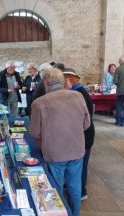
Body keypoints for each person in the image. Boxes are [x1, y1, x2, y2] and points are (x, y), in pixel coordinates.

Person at [29, 68, 90, 216]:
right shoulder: (78, 96)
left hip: (55, 153)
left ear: (45, 82)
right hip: (76, 150)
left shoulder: (39, 103)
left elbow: (34, 132)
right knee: (75, 188)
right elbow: (86, 124)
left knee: (56, 189)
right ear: (63, 81)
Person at [63, 68, 95, 201]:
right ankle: (74, 187)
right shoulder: (77, 91)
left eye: (63, 81)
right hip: (82, 134)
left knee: (81, 165)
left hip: (85, 135)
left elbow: (84, 119)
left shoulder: (78, 93)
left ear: (69, 80)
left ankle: (82, 191)